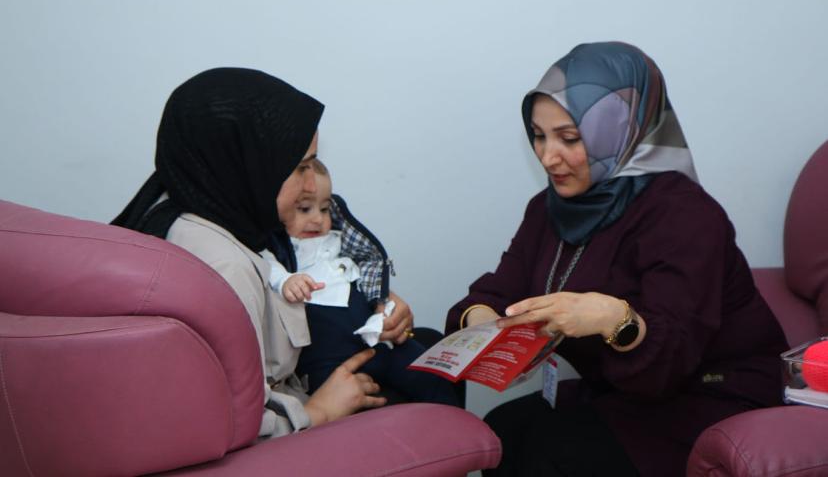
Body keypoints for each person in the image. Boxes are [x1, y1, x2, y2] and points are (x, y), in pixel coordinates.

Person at [445, 42, 788, 476]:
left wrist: (613, 319)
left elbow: (673, 355)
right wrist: (484, 327)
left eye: (570, 138)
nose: (548, 156)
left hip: (711, 393)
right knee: (503, 428)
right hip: (622, 392)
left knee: (551, 452)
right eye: (539, 135)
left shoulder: (685, 214)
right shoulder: (547, 209)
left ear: (620, 130)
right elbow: (498, 291)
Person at [112, 67, 416, 436]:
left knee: (425, 346)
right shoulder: (224, 269)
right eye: (300, 167)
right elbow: (231, 426)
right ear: (246, 162)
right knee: (426, 406)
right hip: (286, 430)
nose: (311, 186)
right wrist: (320, 412)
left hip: (293, 397)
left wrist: (371, 300)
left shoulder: (205, 205)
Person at [266, 159, 460, 406]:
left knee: (433, 371)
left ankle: (456, 421)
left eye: (324, 209)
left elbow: (366, 274)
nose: (318, 219)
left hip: (378, 343)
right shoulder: (277, 250)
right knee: (351, 406)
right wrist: (285, 281)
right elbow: (266, 265)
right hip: (327, 360)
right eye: (304, 209)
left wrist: (386, 308)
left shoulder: (339, 240)